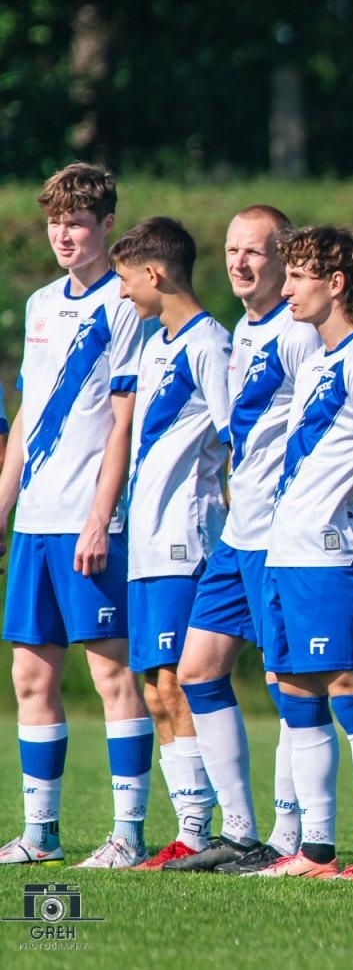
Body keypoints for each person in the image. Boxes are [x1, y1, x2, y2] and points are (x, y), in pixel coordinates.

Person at [0, 163, 151, 869]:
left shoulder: (127, 306)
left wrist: (101, 515)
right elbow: (28, 415)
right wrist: (3, 506)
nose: (65, 232)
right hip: (36, 520)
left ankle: (128, 832)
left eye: (78, 221)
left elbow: (125, 420)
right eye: (56, 219)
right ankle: (42, 832)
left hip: (93, 523)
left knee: (110, 672)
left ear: (106, 225)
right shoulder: (37, 305)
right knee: (30, 675)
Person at [168, 205, 322, 874]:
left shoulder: (299, 331)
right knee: (197, 668)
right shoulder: (243, 328)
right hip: (237, 532)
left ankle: (291, 837)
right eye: (231, 250)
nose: (239, 262)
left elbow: (324, 426)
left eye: (254, 251)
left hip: (280, 537)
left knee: (287, 682)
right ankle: (240, 829)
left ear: (284, 257)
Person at [254, 227, 353, 879]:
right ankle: (314, 849)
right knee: (295, 694)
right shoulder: (315, 358)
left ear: (336, 284)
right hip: (284, 553)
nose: (284, 288)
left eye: (298, 276)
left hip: (328, 554)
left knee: (348, 692)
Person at [109, 217, 232, 870]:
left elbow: (238, 436)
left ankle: (201, 829)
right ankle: (190, 827)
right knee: (154, 683)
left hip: (187, 537)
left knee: (178, 681)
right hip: (147, 541)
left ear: (154, 275)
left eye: (128, 281)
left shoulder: (211, 344)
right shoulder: (154, 344)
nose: (124, 294)